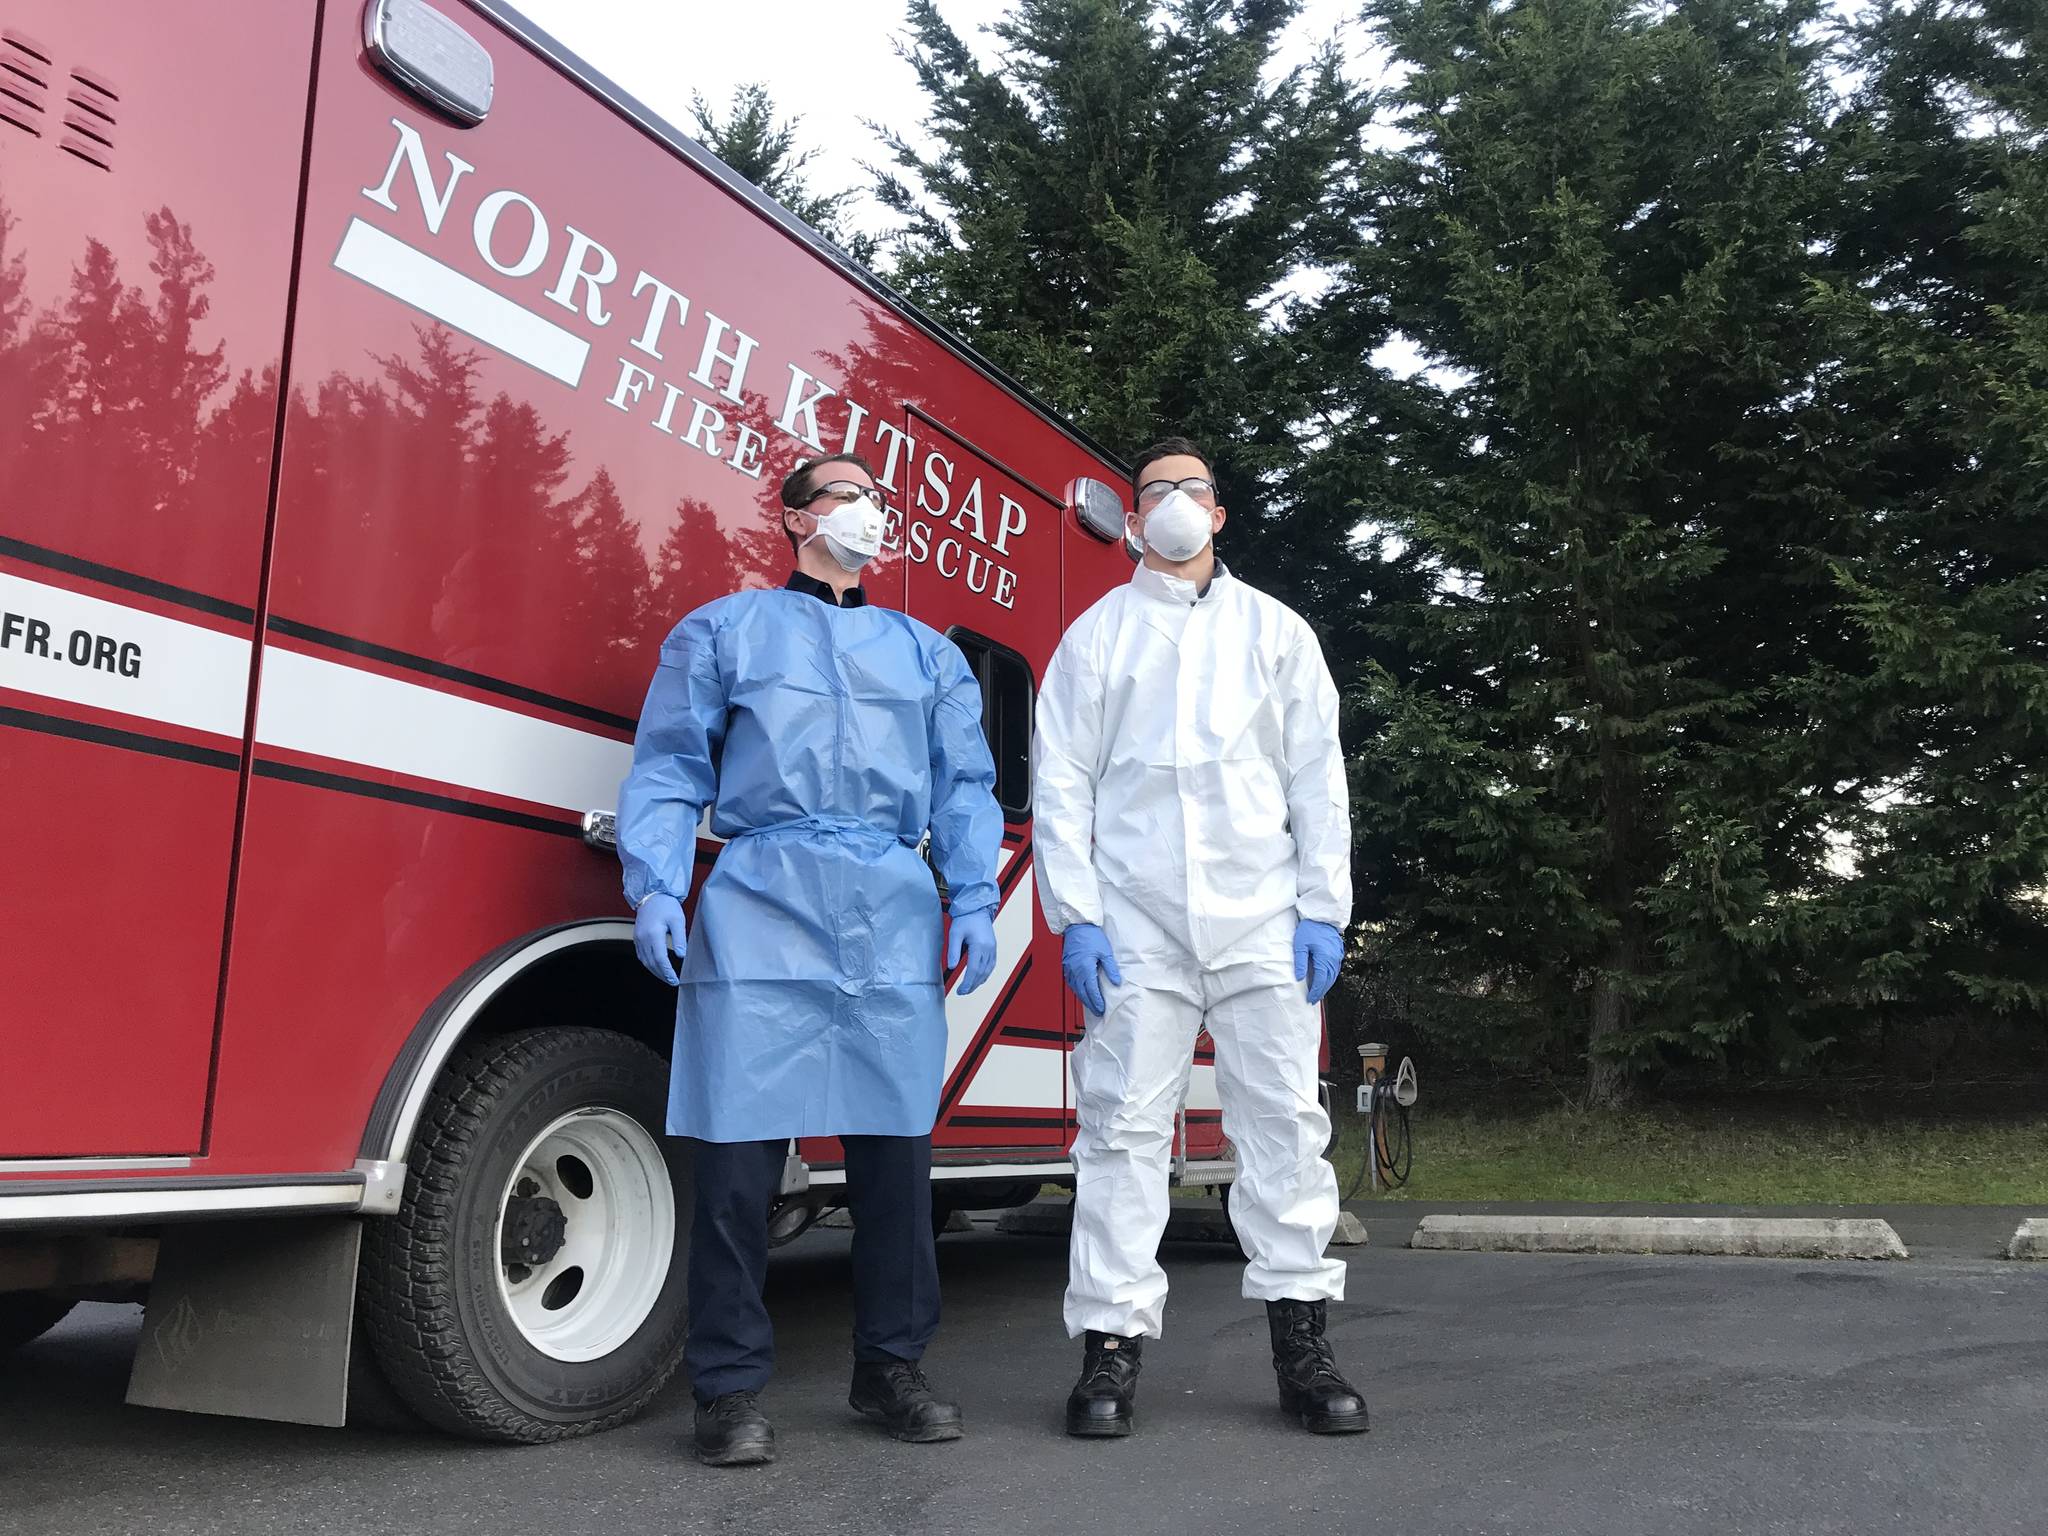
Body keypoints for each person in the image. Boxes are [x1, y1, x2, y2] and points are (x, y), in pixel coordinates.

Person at [617, 452, 1003, 1467]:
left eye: (875, 497)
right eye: (841, 494)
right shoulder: (724, 631)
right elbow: (668, 764)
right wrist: (657, 881)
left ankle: (889, 1369)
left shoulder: (927, 655)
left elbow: (964, 783)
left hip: (888, 899)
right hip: (761, 893)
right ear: (791, 519)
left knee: (892, 1159)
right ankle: (729, 1388)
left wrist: (972, 895)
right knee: (739, 1162)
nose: (865, 510)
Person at [1032, 436, 1365, 1438]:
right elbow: (1060, 786)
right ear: (1130, 520)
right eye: (1154, 491)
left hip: (1261, 915)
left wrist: (1321, 907)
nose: (1174, 503)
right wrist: (1076, 915)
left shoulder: (1276, 633)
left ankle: (1301, 1350)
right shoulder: (1095, 640)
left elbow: (1317, 778)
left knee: (1280, 1129)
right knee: (1122, 1134)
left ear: (1218, 513)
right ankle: (1108, 1354)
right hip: (1136, 923)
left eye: (1192, 489)